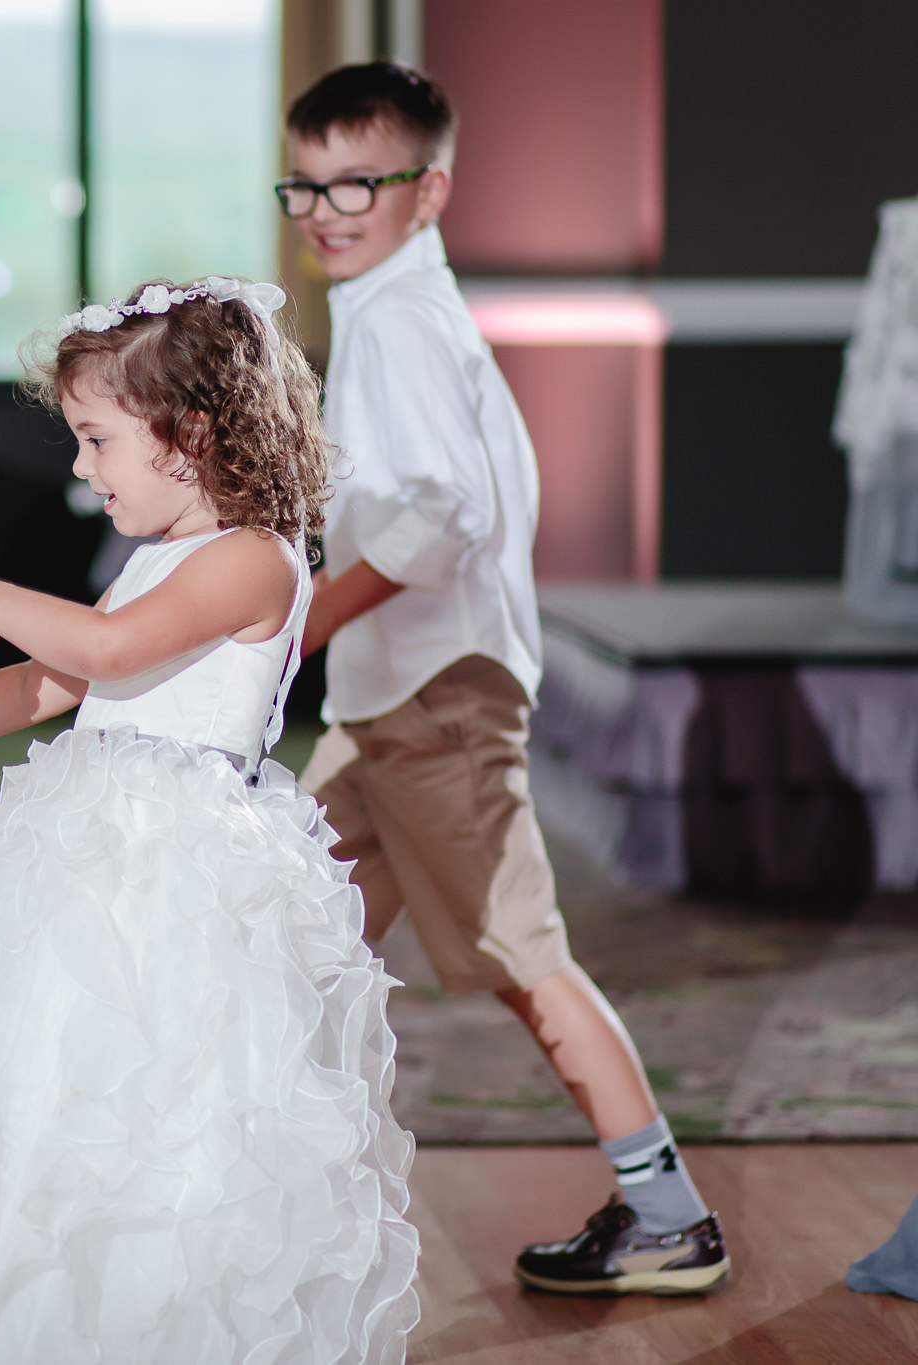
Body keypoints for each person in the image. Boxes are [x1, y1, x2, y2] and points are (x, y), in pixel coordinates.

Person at [0, 277, 419, 1362]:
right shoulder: (158, 556)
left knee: (163, 1112)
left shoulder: (253, 555)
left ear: (190, 433)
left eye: (94, 440)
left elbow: (107, 654)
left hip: (177, 872)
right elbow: (43, 686)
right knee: (40, 1097)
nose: (79, 467)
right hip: (86, 853)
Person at [282, 62, 730, 1295]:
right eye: (305, 186)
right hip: (391, 701)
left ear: (426, 192)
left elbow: (440, 515)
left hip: (438, 698)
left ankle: (668, 1216)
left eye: (354, 185)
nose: (324, 210)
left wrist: (298, 622)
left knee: (523, 962)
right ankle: (266, 1198)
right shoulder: (384, 308)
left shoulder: (403, 323)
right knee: (292, 934)